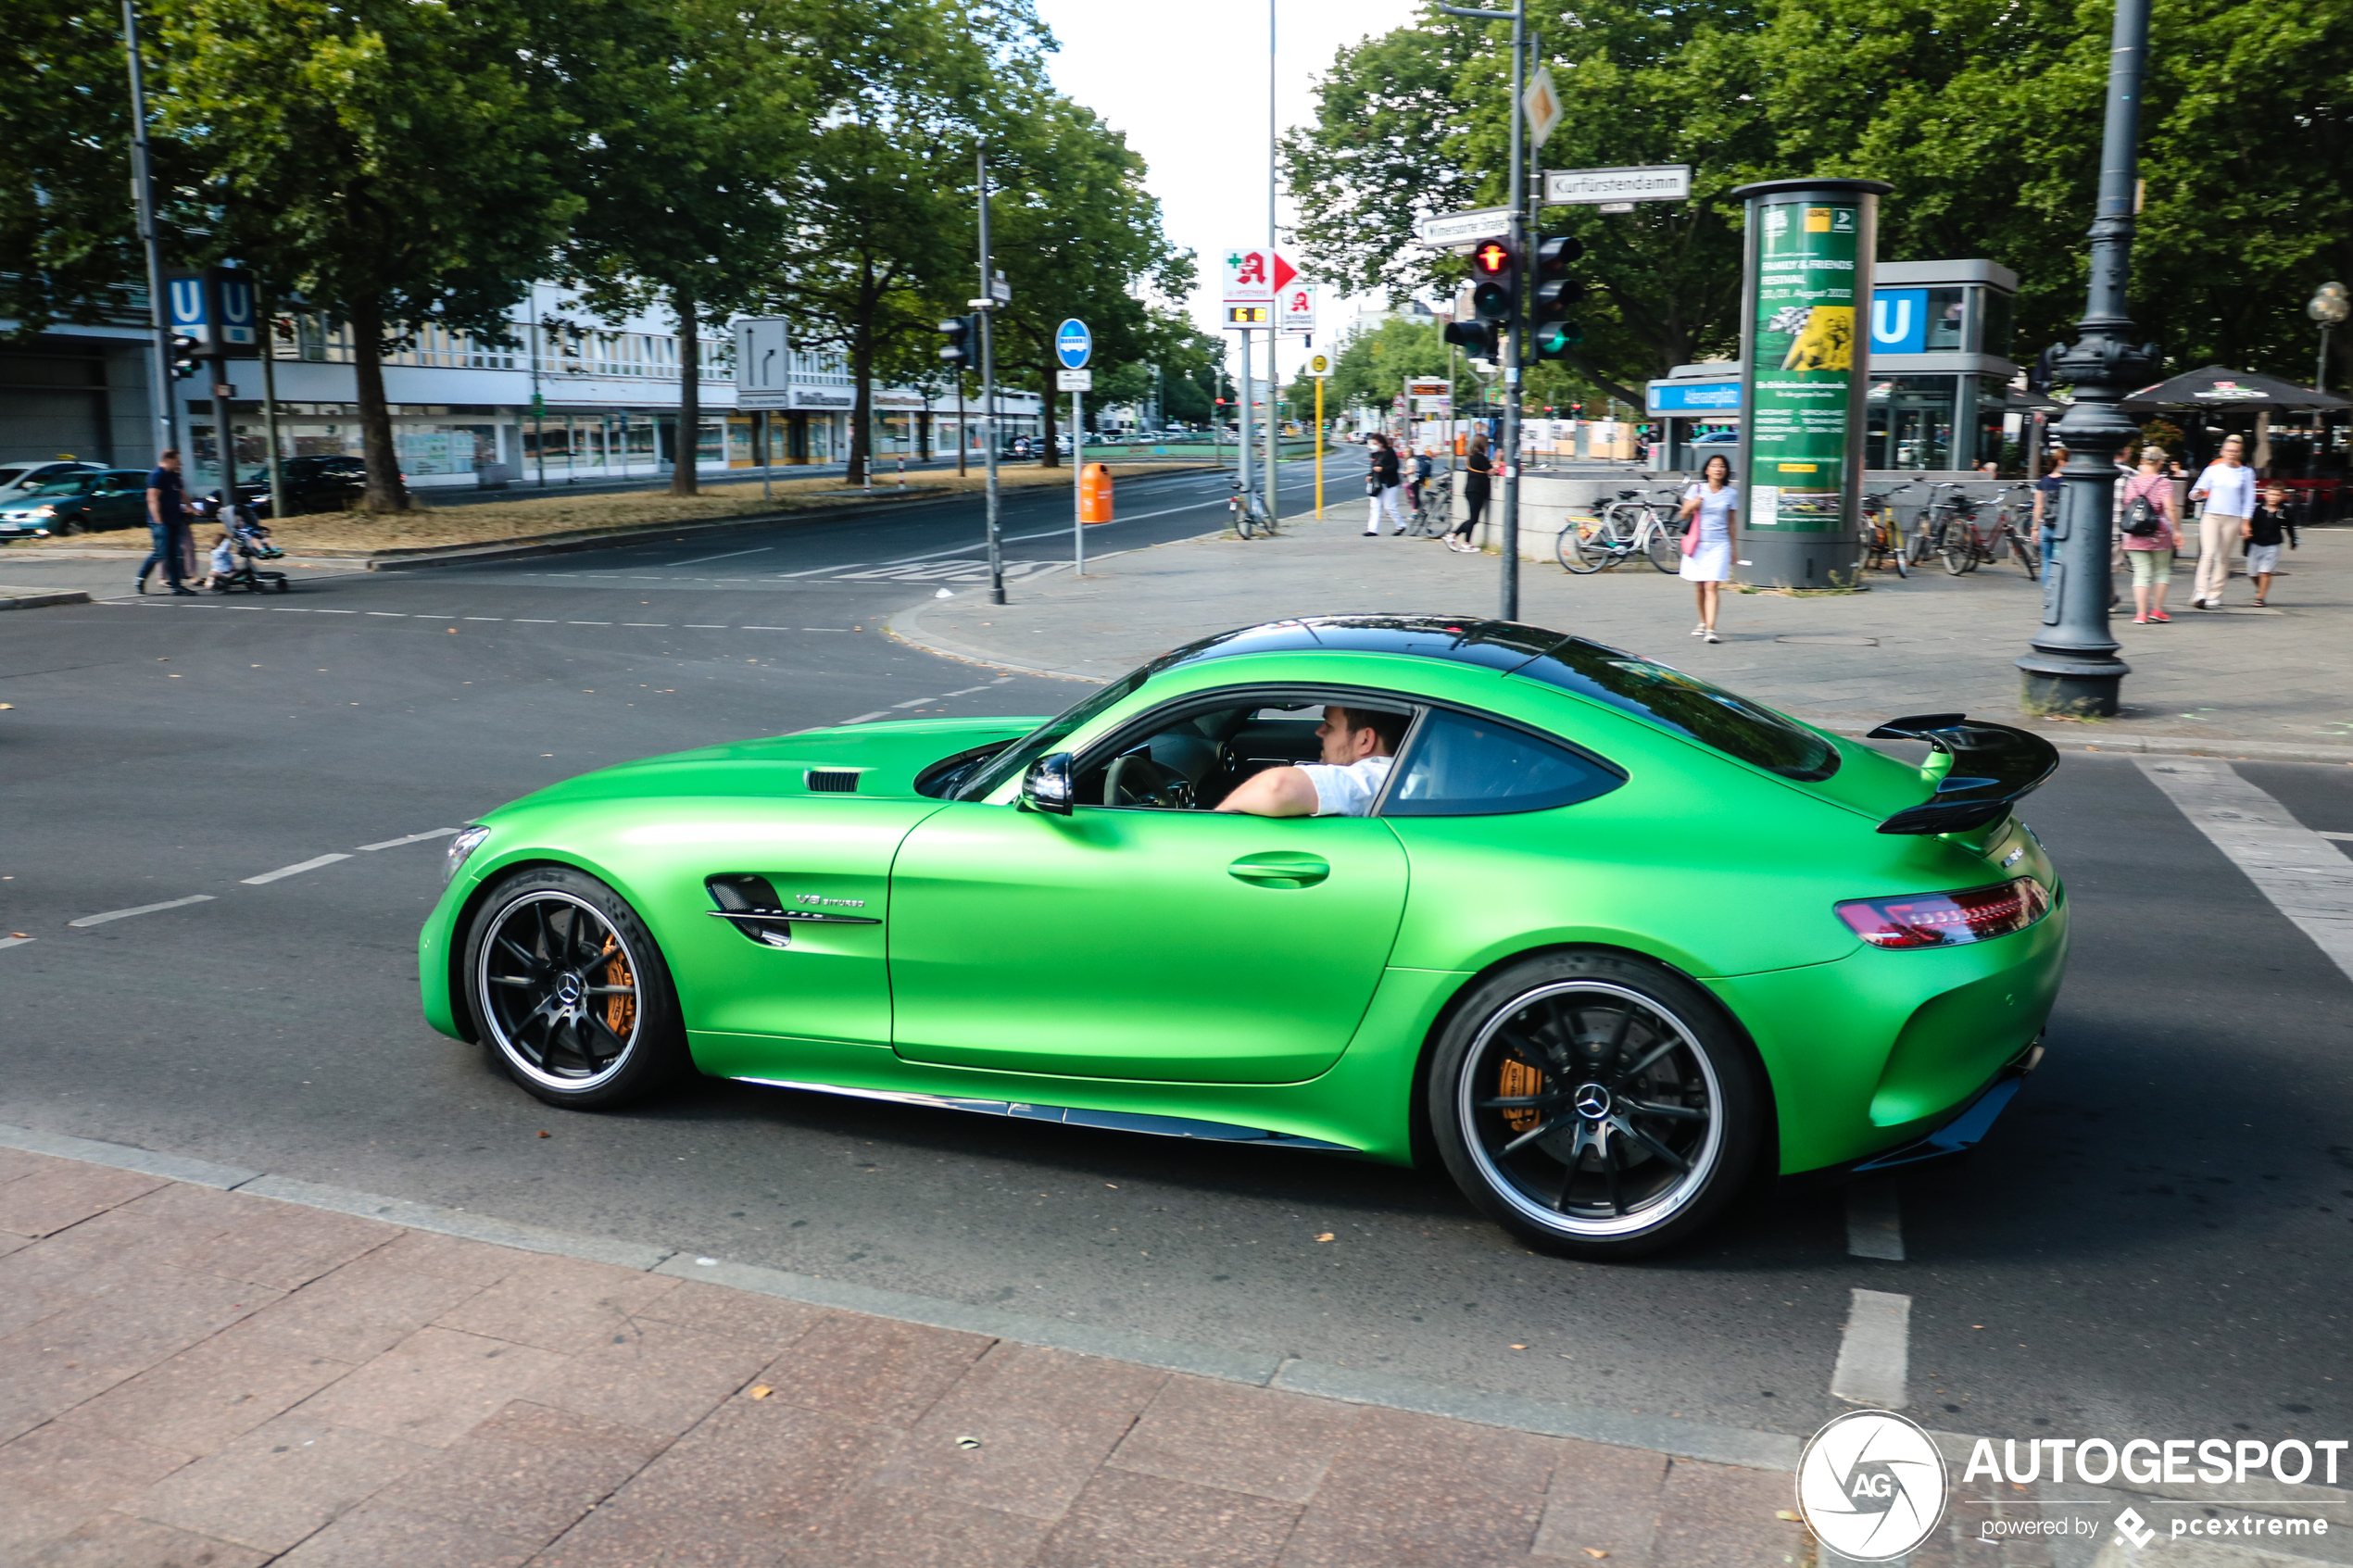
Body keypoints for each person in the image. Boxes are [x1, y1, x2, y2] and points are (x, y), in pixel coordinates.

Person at [1215, 704, 1407, 817]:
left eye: (1330, 726)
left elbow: (1277, 786)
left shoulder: (1377, 777)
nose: (1319, 731)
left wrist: (1217, 819)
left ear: (1365, 740)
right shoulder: (1403, 775)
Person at [2187, 433, 2255, 608]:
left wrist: (2246, 522)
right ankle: (2200, 591)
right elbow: (2195, 491)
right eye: (2229, 450)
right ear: (2222, 451)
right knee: (2208, 553)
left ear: (2240, 453)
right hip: (2212, 514)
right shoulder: (2213, 470)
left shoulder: (2246, 473)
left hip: (2233, 517)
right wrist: (2197, 494)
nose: (2232, 453)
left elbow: (2249, 499)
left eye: (2236, 451)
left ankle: (2214, 593)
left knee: (2223, 557)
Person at [2117, 442, 2181, 624]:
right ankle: (2157, 610)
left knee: (2141, 573)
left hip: (2134, 532)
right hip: (2159, 531)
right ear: (2160, 462)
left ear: (2143, 460)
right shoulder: (2163, 482)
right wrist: (2177, 531)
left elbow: (2127, 504)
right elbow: (2170, 508)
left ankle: (2141, 614)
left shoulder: (2132, 482)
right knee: (2161, 571)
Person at [1678, 453, 1737, 644]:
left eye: (1722, 466)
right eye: (1714, 466)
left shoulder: (1731, 493)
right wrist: (1693, 505)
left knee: (1712, 585)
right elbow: (1683, 515)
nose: (1718, 469)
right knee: (1700, 586)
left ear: (1726, 471)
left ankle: (1711, 629)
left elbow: (1732, 523)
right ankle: (1702, 622)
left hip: (1720, 544)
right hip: (1698, 544)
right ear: (1707, 470)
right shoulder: (1696, 490)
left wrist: (1734, 548)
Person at [138, 448, 196, 596]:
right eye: (177, 460)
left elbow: (182, 494)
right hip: (161, 523)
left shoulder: (174, 476)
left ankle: (176, 586)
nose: (180, 463)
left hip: (175, 520)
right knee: (160, 553)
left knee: (173, 554)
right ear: (169, 460)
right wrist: (158, 522)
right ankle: (140, 578)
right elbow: (152, 499)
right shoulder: (157, 475)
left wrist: (191, 507)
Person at [2245, 483, 2298, 607]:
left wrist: (2293, 540)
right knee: (2252, 573)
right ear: (2265, 495)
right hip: (2255, 543)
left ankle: (2260, 598)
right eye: (2271, 494)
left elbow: (2290, 527)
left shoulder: (2284, 511)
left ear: (2282, 496)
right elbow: (2249, 526)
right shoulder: (2258, 509)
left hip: (2273, 545)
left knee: (2265, 571)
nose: (2273, 497)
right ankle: (2261, 588)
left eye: (2277, 495)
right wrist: (2246, 544)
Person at [1449, 432, 1491, 553]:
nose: (1487, 446)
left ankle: (1460, 540)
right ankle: (1458, 538)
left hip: (1470, 489)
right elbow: (1490, 471)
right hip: (1477, 490)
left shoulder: (1471, 456)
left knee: (1473, 518)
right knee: (1473, 519)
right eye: (1486, 443)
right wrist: (1498, 461)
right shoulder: (1480, 457)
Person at [1363, 433, 1406, 536]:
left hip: (1389, 483)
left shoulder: (1390, 452)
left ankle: (1400, 525)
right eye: (1373, 443)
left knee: (1389, 507)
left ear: (1381, 443)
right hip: (1377, 482)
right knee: (1375, 506)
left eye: (1375, 443)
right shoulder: (1374, 453)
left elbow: (1394, 467)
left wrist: (1383, 469)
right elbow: (1373, 467)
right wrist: (1370, 475)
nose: (1374, 445)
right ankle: (1372, 530)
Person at [2031, 446, 2068, 545]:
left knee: (2046, 559)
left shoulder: (2043, 481)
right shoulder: (2068, 482)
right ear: (2061, 462)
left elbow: (2038, 507)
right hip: (2063, 529)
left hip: (2046, 527)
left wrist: (2035, 529)